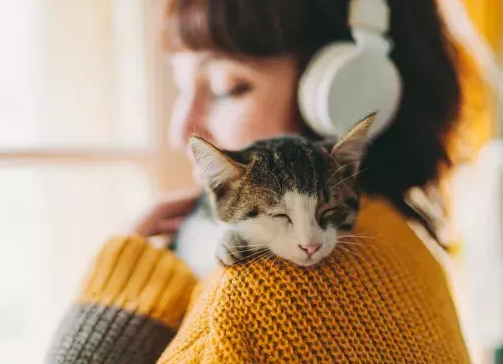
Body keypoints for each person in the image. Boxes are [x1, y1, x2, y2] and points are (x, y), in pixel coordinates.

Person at [46, 0, 474, 362]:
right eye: (181, 85)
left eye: (227, 86)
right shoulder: (399, 241)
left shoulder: (261, 296)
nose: (181, 131)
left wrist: (108, 317)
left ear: (351, 96)